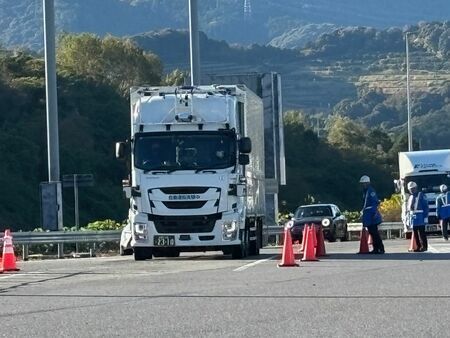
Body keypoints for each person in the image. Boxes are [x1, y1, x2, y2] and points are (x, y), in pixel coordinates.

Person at [360, 175, 385, 254]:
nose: (363, 185)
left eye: (364, 183)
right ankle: (376, 248)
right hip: (368, 214)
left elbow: (375, 202)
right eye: (362, 183)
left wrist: (374, 213)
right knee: (372, 232)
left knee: (374, 232)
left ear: (368, 183)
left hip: (371, 214)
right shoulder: (366, 191)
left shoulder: (371, 191)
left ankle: (380, 248)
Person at [407, 181, 429, 252]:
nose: (411, 190)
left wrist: (425, 217)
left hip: (420, 216)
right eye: (410, 189)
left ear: (416, 188)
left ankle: (424, 246)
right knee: (415, 233)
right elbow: (409, 208)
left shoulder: (421, 195)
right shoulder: (410, 197)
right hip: (413, 217)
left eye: (413, 189)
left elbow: (426, 207)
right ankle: (418, 246)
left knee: (422, 233)